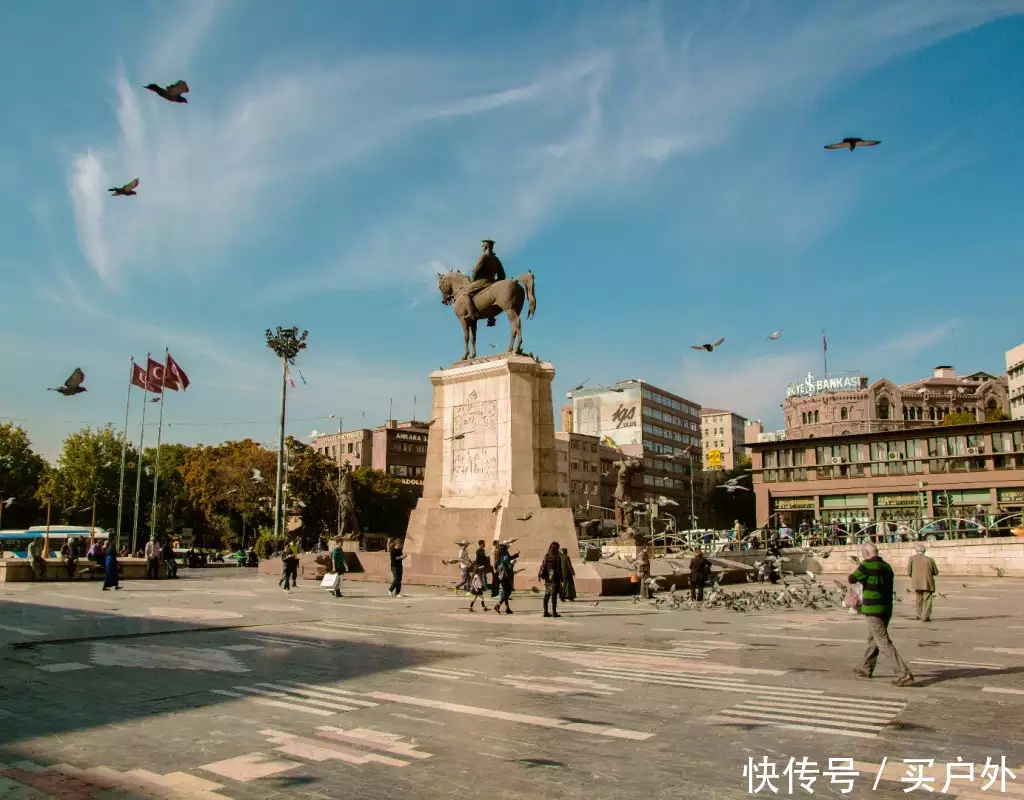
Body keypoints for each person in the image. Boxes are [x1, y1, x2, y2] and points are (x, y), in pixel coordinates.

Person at [849, 542, 914, 687]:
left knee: (883, 642)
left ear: (866, 553)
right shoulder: (887, 566)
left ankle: (904, 674)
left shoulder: (866, 565)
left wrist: (860, 568)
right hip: (886, 608)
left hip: (873, 609)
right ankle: (865, 667)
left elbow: (851, 579)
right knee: (874, 638)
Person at [459, 239, 506, 327]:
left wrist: (472, 281)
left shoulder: (483, 257)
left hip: (481, 282)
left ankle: (471, 314)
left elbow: (475, 271)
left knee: (465, 294)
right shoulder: (496, 259)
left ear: (485, 247)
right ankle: (491, 317)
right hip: (492, 282)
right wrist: (496, 283)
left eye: (482, 247)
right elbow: (502, 275)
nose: (482, 248)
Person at [907, 545, 939, 622]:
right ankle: (925, 616)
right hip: (927, 582)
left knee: (918, 599)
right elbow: (936, 572)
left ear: (916, 551)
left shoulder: (912, 558)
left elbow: (909, 570)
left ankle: (919, 614)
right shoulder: (930, 560)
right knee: (927, 599)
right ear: (924, 551)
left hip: (916, 582)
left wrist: (913, 576)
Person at [538, 541, 563, 618]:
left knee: (547, 595)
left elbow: (543, 566)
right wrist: (561, 579)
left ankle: (545, 612)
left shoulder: (546, 556)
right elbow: (558, 570)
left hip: (547, 579)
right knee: (554, 596)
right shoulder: (557, 557)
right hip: (554, 579)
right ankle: (554, 612)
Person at [494, 543, 518, 614]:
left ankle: (507, 608)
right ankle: (498, 605)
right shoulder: (505, 557)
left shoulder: (498, 557)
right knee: (508, 592)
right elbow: (509, 566)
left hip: (501, 576)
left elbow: (497, 566)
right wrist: (513, 563)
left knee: (506, 592)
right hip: (506, 576)